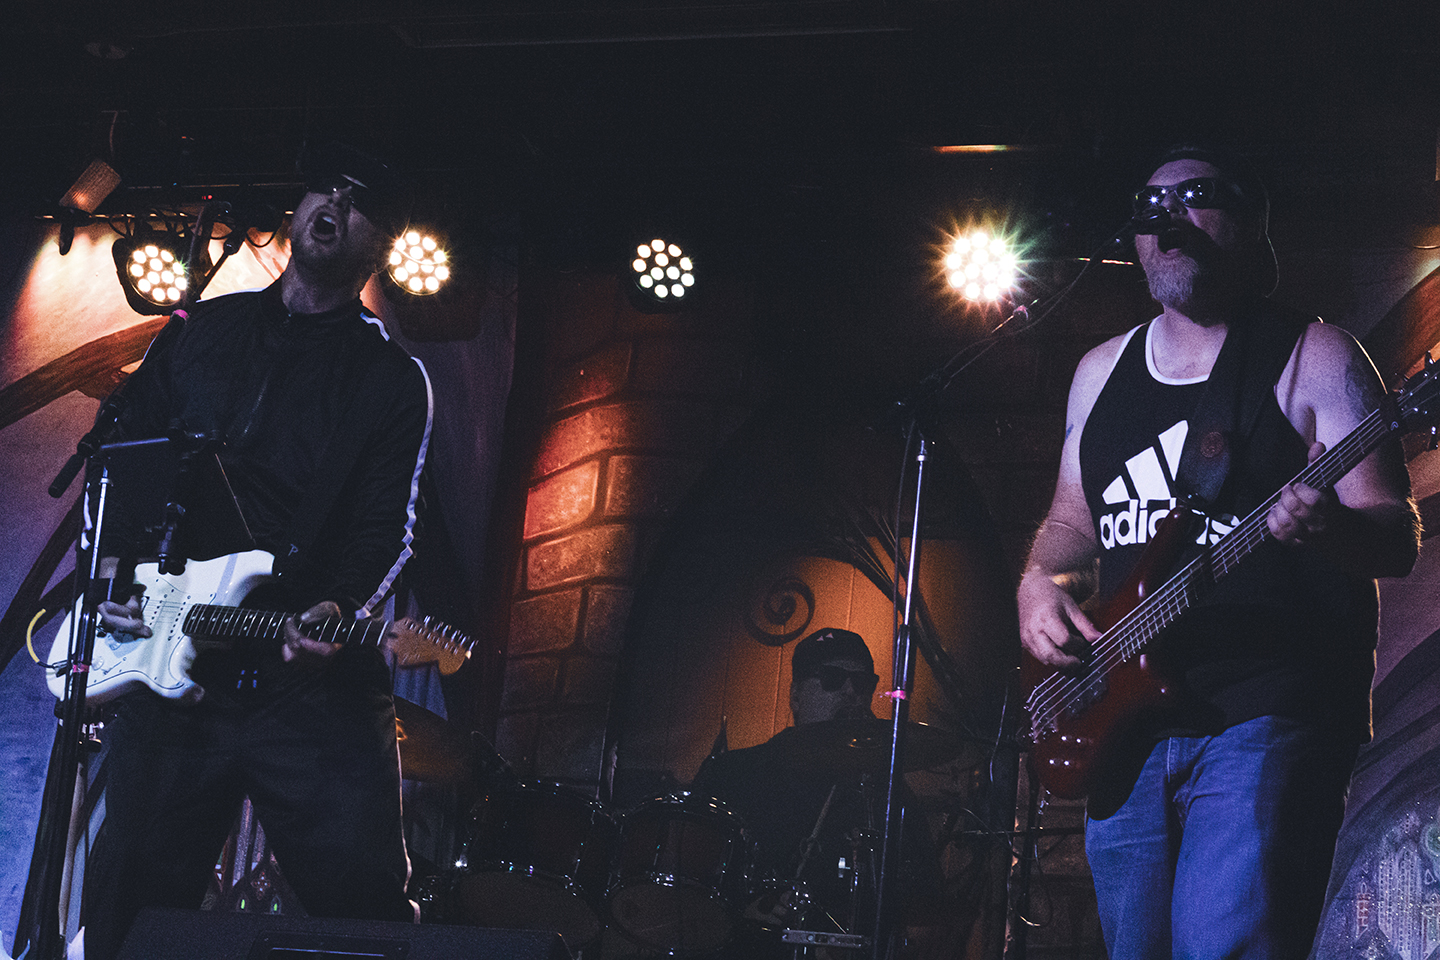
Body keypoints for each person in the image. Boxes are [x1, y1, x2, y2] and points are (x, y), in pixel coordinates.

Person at [1016, 144, 1420, 958]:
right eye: (1150, 206)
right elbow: (1070, 524)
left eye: (1194, 197)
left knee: (1227, 943)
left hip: (1263, 707)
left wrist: (1330, 530)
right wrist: (1037, 583)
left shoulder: (1316, 355)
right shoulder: (1100, 372)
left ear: (1248, 222)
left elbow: (1396, 534)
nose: (1168, 219)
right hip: (1123, 716)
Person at [78, 142, 433, 960]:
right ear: (298, 209)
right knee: (127, 908)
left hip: (308, 690)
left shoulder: (389, 378)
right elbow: (125, 462)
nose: (333, 205)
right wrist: (117, 575)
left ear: (382, 245)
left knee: (364, 912)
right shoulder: (201, 329)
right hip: (176, 665)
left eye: (359, 200)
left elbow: (389, 525)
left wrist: (342, 604)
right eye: (324, 188)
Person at [691, 628, 937, 950]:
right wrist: (738, 913)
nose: (850, 691)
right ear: (795, 696)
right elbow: (685, 891)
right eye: (832, 678)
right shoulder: (731, 774)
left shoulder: (887, 794)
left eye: (862, 683)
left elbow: (926, 904)